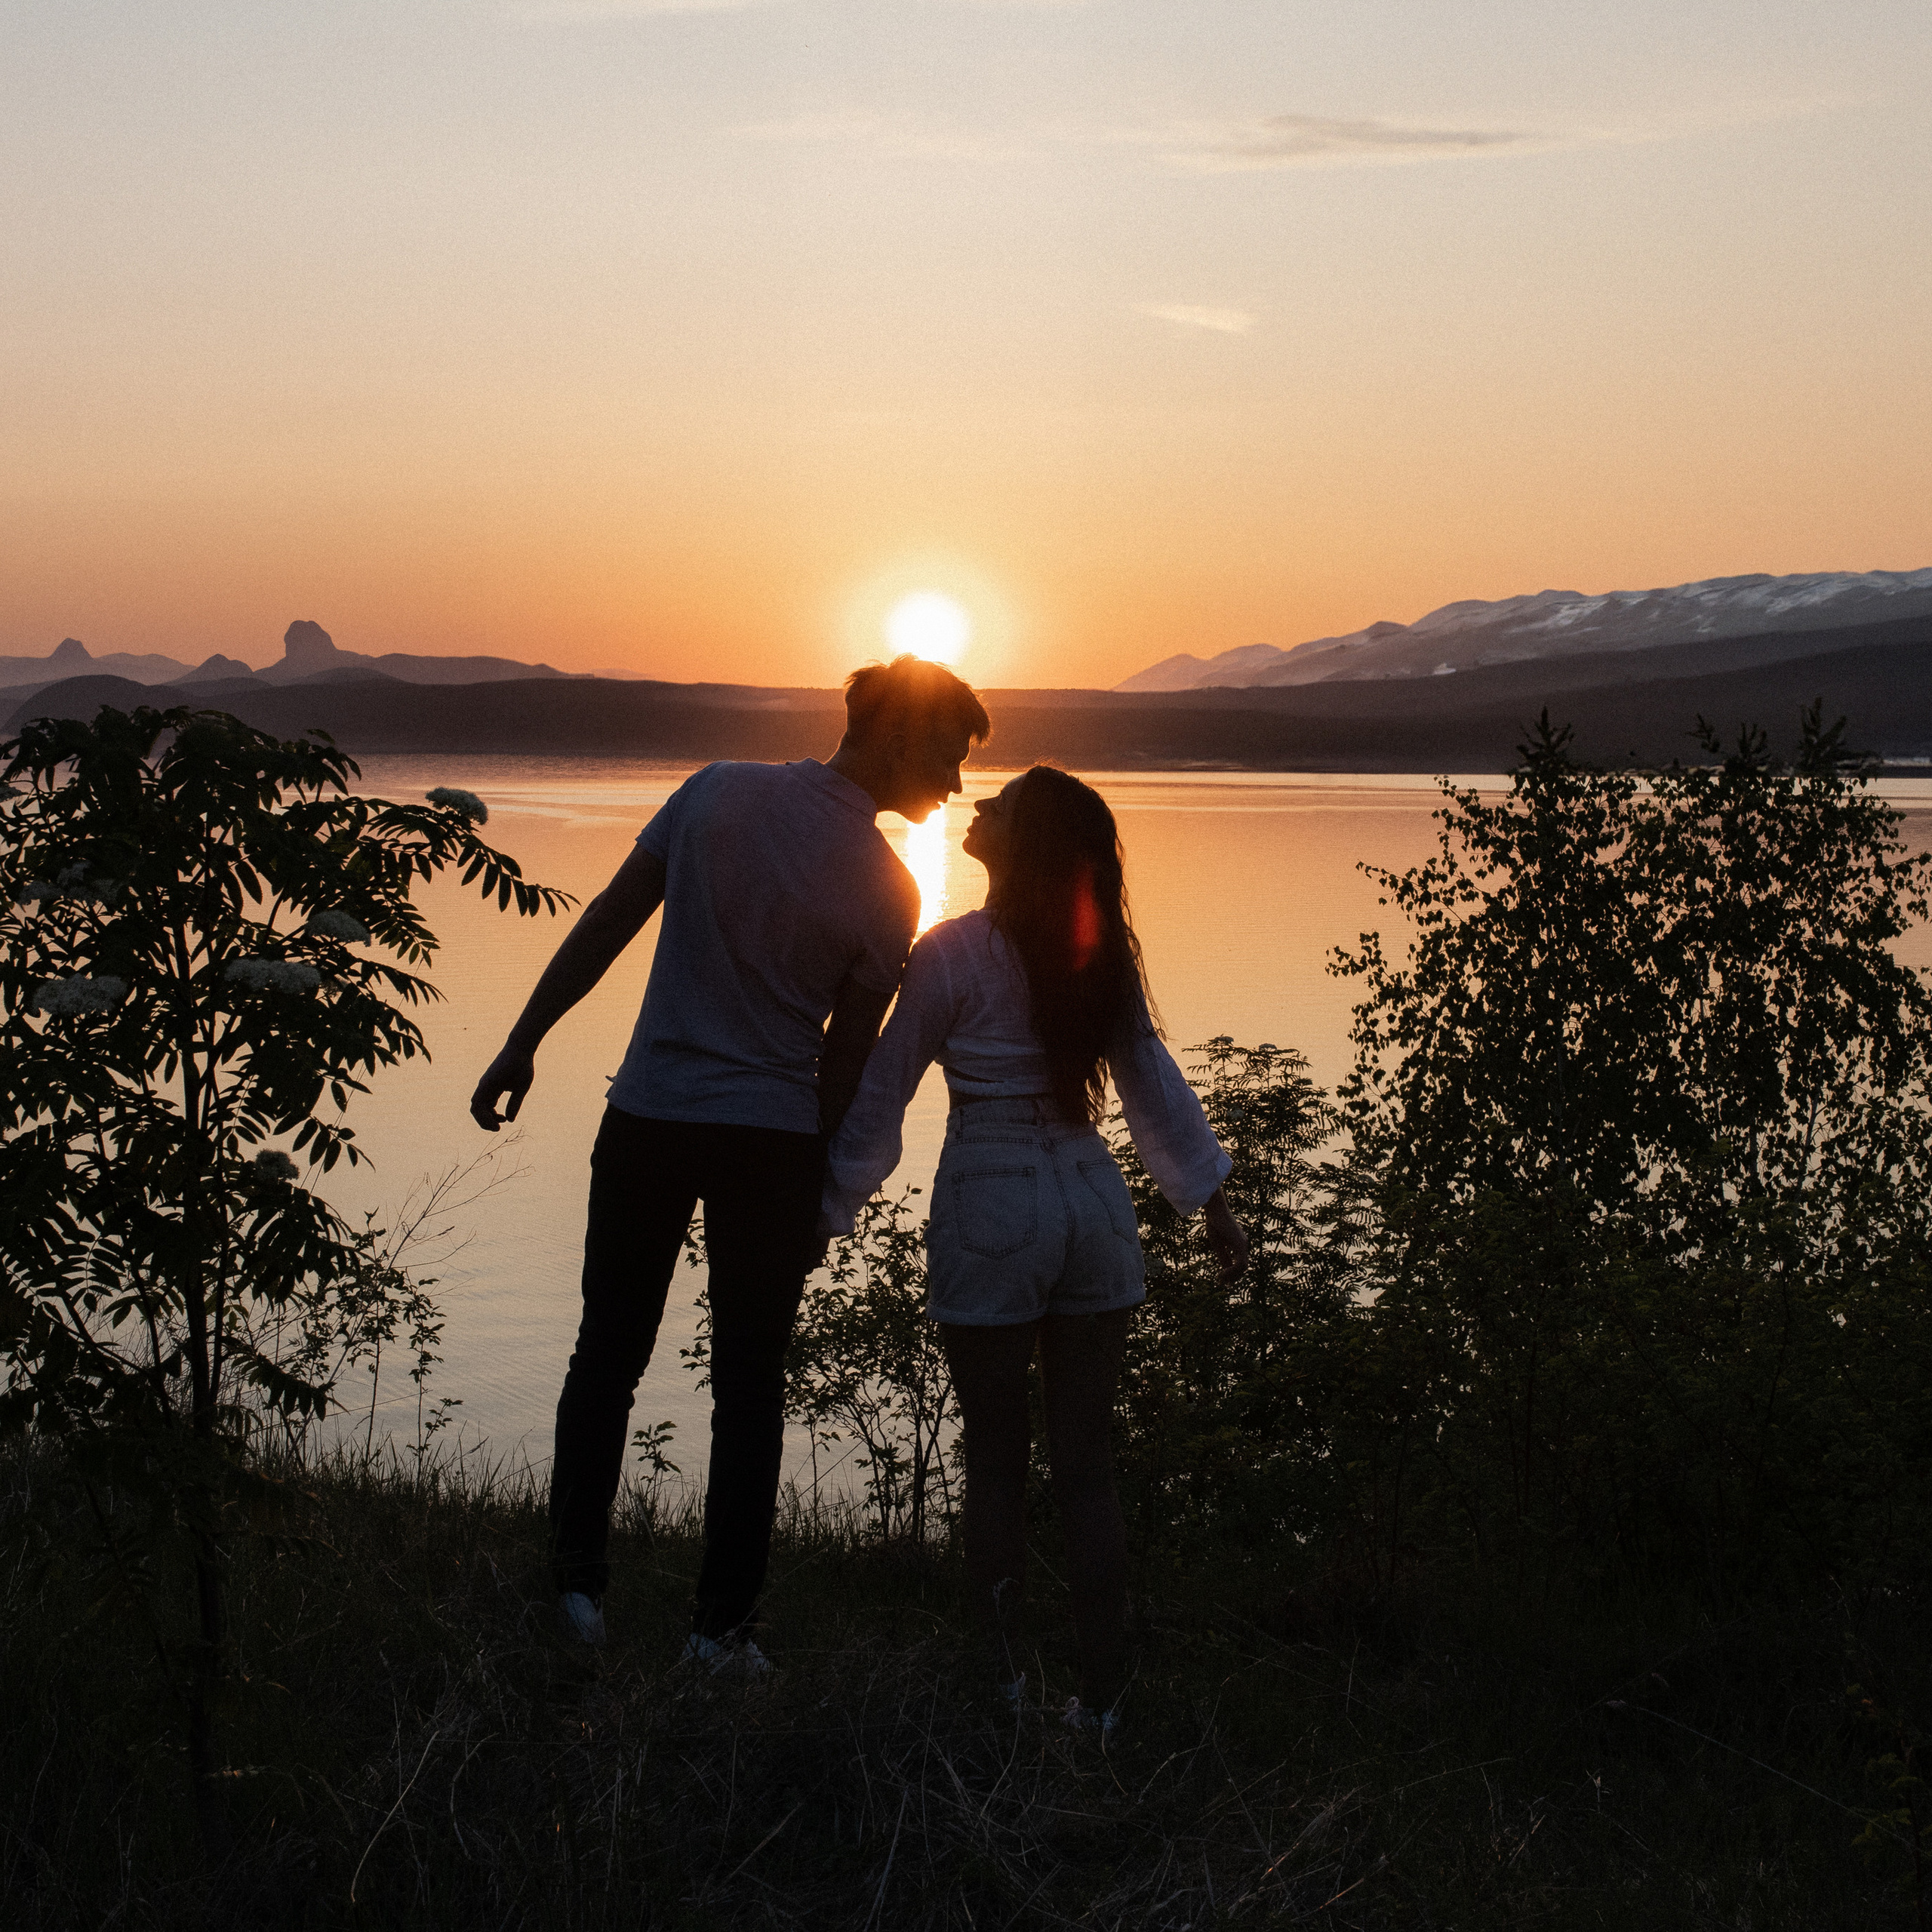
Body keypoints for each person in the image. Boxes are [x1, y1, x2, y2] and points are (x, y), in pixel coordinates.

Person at [469, 656, 992, 1666]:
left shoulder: (714, 792)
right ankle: (720, 1632)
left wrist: (524, 1038)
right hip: (770, 1143)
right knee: (751, 1385)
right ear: (892, 736)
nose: (956, 783)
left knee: (605, 1358)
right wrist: (816, 1195)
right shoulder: (891, 893)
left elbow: (610, 922)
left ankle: (577, 1593)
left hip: (650, 1118)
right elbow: (840, 1069)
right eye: (947, 753)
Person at [821, 764, 1248, 1734]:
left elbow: (880, 1093)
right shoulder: (1094, 957)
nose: (981, 807)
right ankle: (1101, 1701)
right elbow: (1153, 1082)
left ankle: (1001, 1690)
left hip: (992, 1193)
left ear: (1025, 844)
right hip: (1092, 1197)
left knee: (998, 1464)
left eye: (1002, 806)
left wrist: (827, 1209)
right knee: (1087, 1467)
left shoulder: (948, 954)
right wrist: (1213, 1205)